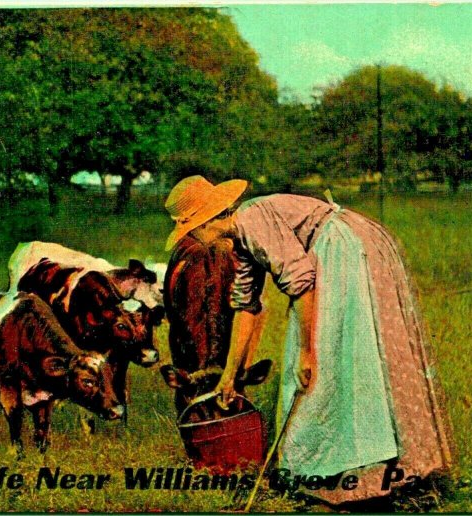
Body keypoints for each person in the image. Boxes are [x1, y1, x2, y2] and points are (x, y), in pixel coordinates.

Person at [164, 175, 452, 503]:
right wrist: (228, 379)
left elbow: (301, 283)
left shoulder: (253, 221)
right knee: (328, 368)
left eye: (192, 232)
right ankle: (331, 471)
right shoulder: (241, 240)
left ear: (205, 224)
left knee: (330, 361)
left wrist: (306, 351)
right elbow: (246, 306)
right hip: (332, 251)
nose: (196, 241)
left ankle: (359, 473)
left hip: (342, 248)